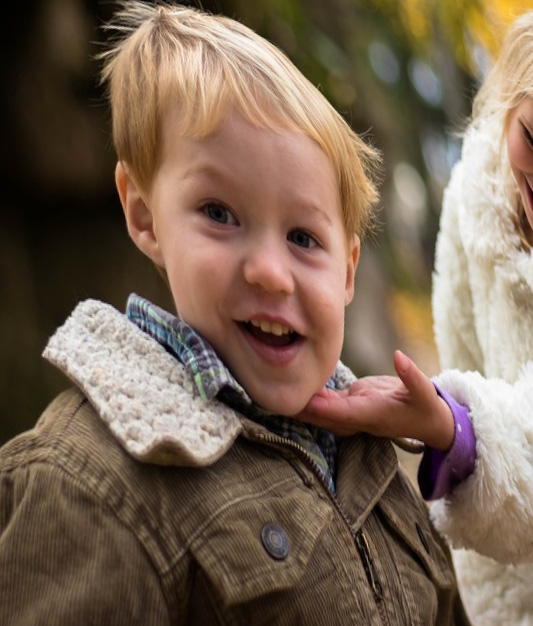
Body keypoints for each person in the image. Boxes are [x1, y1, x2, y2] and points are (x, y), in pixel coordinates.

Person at [0, 2, 471, 624]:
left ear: (349, 270)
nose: (271, 272)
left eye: (304, 238)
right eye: (220, 214)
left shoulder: (370, 451)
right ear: (145, 216)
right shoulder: (90, 480)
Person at [300, 7, 533, 626]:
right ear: (509, 102)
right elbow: (465, 348)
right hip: (502, 581)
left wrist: (460, 430)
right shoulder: (478, 204)